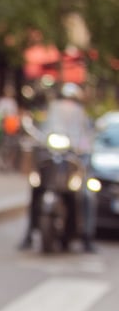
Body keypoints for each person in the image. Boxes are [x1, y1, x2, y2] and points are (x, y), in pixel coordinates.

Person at [18, 83, 96, 251]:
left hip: (73, 161)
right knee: (35, 187)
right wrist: (37, 138)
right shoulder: (51, 114)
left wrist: (84, 146)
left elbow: (88, 137)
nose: (68, 104)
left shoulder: (82, 118)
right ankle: (29, 233)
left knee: (86, 194)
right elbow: (41, 130)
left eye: (71, 100)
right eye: (65, 99)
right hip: (54, 157)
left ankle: (87, 237)